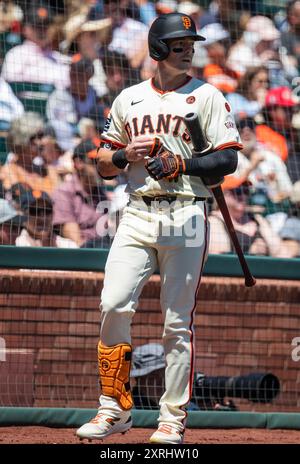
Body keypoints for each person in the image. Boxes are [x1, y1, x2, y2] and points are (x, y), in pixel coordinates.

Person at [76, 12, 242, 445]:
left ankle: (171, 418)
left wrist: (182, 162)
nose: (189, 50)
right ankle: (114, 409)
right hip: (137, 212)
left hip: (186, 213)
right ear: (157, 49)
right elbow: (103, 164)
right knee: (113, 304)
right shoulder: (128, 98)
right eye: (180, 44)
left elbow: (227, 160)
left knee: (175, 322)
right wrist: (124, 154)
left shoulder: (207, 96)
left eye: (191, 43)